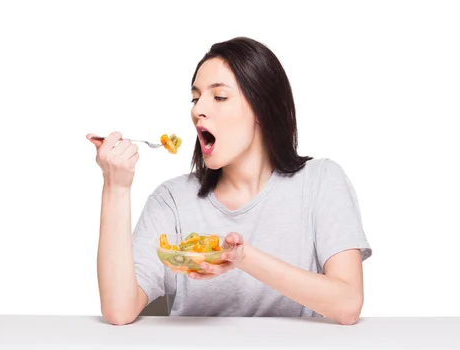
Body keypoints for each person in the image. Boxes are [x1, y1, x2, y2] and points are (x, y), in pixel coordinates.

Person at [87, 36, 372, 326]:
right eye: (196, 98)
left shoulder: (320, 181)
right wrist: (116, 186)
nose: (198, 110)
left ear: (262, 108)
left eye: (219, 97)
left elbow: (347, 304)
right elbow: (119, 309)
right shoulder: (171, 200)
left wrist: (242, 257)